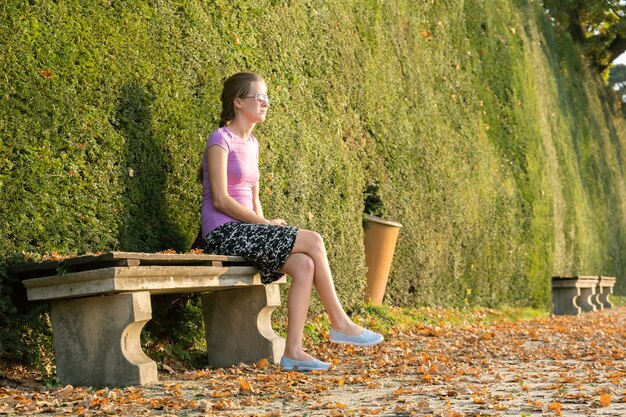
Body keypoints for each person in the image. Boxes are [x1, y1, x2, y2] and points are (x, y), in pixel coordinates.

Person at [201, 72, 383, 372]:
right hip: (222, 232)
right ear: (238, 102)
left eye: (266, 98)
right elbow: (221, 199)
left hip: (247, 230)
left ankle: (293, 352)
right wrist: (264, 223)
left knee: (305, 265)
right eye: (259, 97)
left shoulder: (253, 143)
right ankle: (339, 321)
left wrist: (261, 222)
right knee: (314, 240)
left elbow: (253, 197)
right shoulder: (220, 139)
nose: (265, 103)